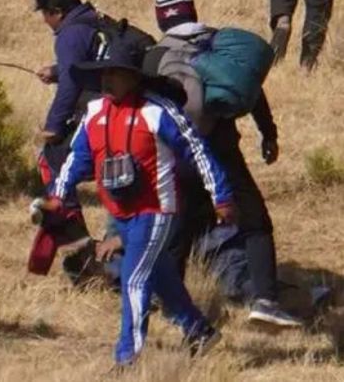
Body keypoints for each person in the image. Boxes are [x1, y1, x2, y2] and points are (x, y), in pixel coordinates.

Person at [40, 37, 233, 366]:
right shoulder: (94, 112)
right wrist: (58, 195)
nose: (107, 79)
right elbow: (77, 158)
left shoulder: (158, 110)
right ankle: (200, 331)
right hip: (120, 212)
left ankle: (127, 358)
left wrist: (222, 196)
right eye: (104, 73)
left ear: (134, 77)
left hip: (157, 209)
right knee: (158, 275)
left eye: (115, 73)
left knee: (134, 277)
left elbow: (197, 151)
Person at [147, 0, 300, 327]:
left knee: (179, 228)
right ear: (192, 9)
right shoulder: (220, 45)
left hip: (179, 157)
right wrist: (268, 132)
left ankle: (166, 300)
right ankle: (264, 299)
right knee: (255, 223)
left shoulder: (155, 56)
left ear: (161, 17)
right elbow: (252, 90)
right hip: (222, 152)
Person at [33, 0, 102, 215]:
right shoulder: (94, 19)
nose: (44, 20)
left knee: (51, 159)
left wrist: (54, 126)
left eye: (45, 13)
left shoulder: (70, 35)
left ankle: (68, 223)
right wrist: (57, 71)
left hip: (98, 112)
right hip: (116, 104)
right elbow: (87, 65)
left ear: (58, 12)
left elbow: (71, 85)